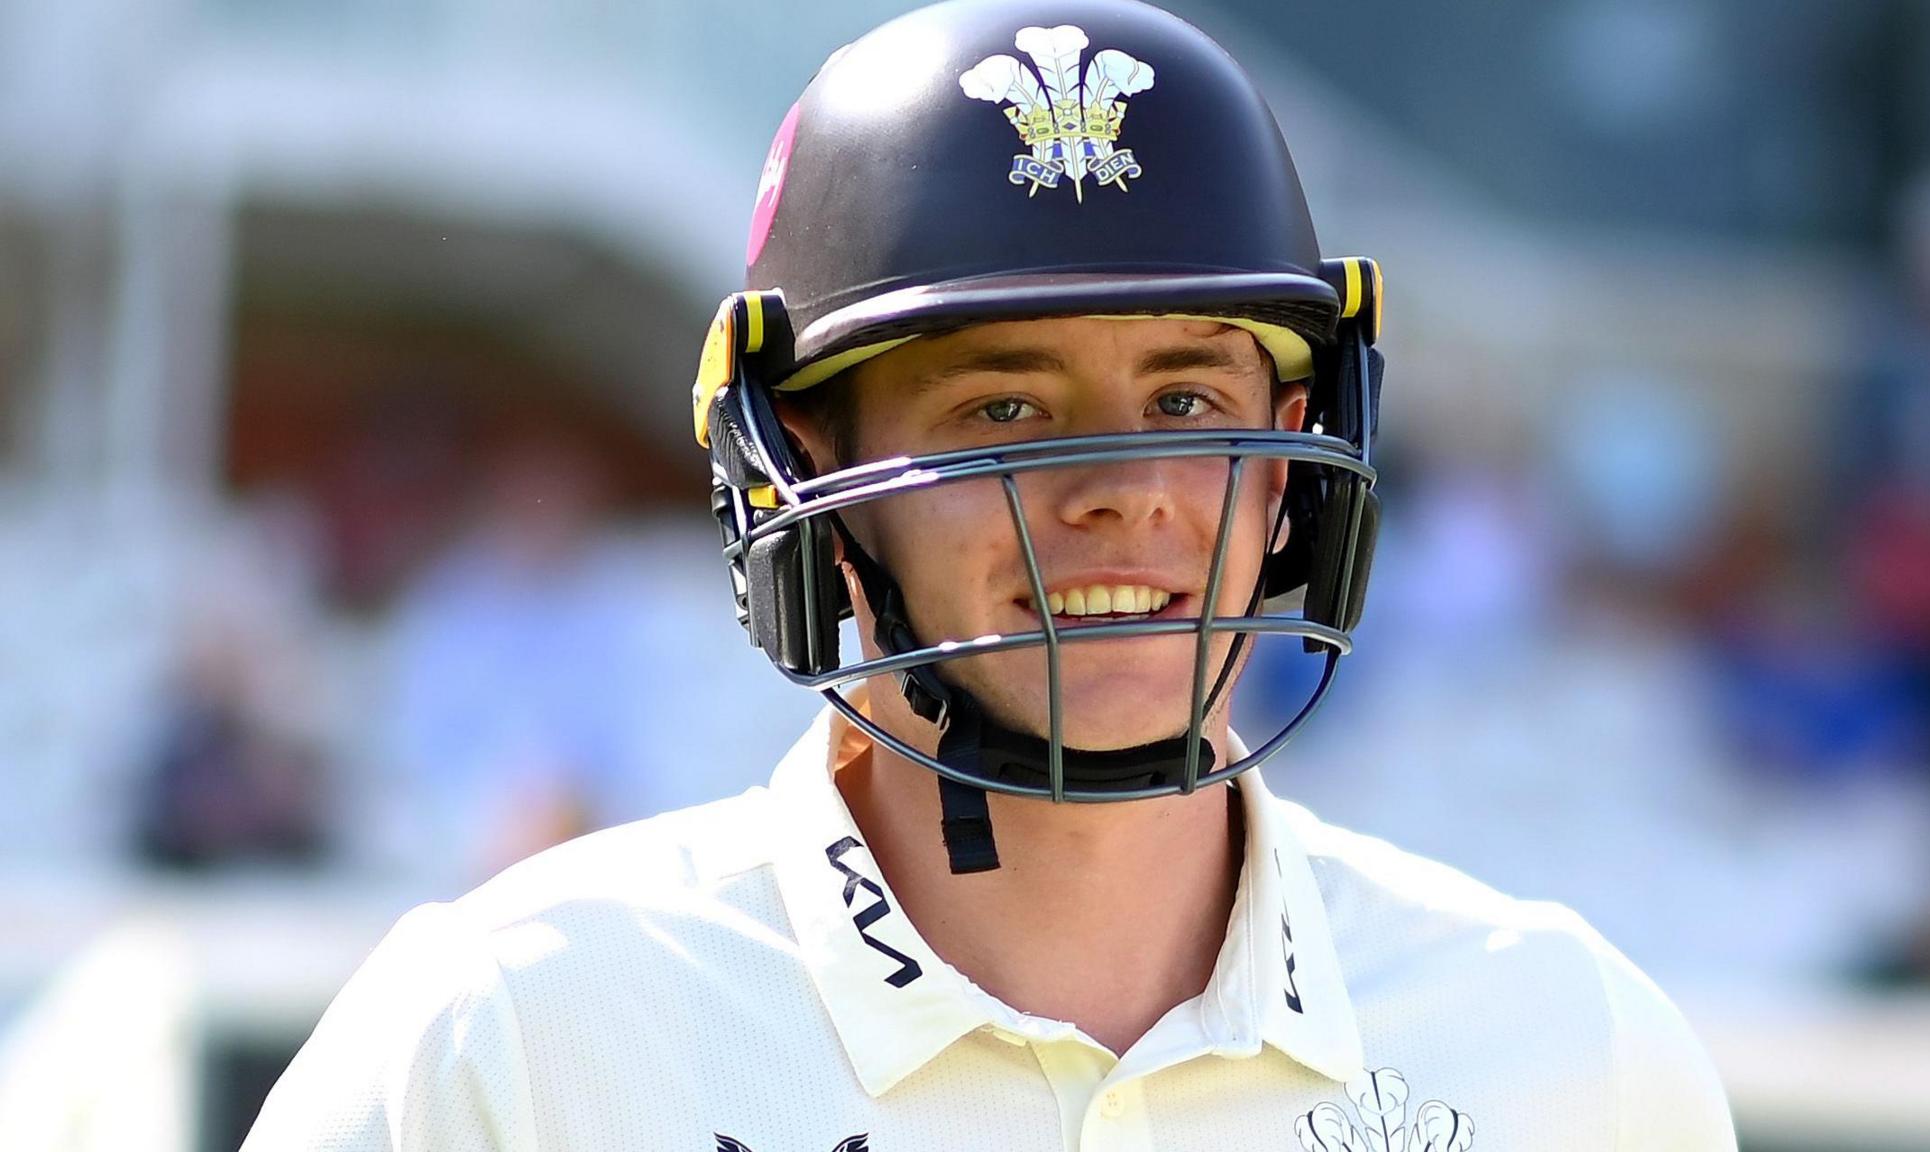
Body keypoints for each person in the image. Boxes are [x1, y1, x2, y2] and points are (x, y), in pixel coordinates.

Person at [243, 1, 1736, 1148]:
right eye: (1002, 411)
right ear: (811, 480)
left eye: (1190, 402)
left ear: (1293, 450)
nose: (1121, 497)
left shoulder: (1569, 1053)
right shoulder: (511, 1040)